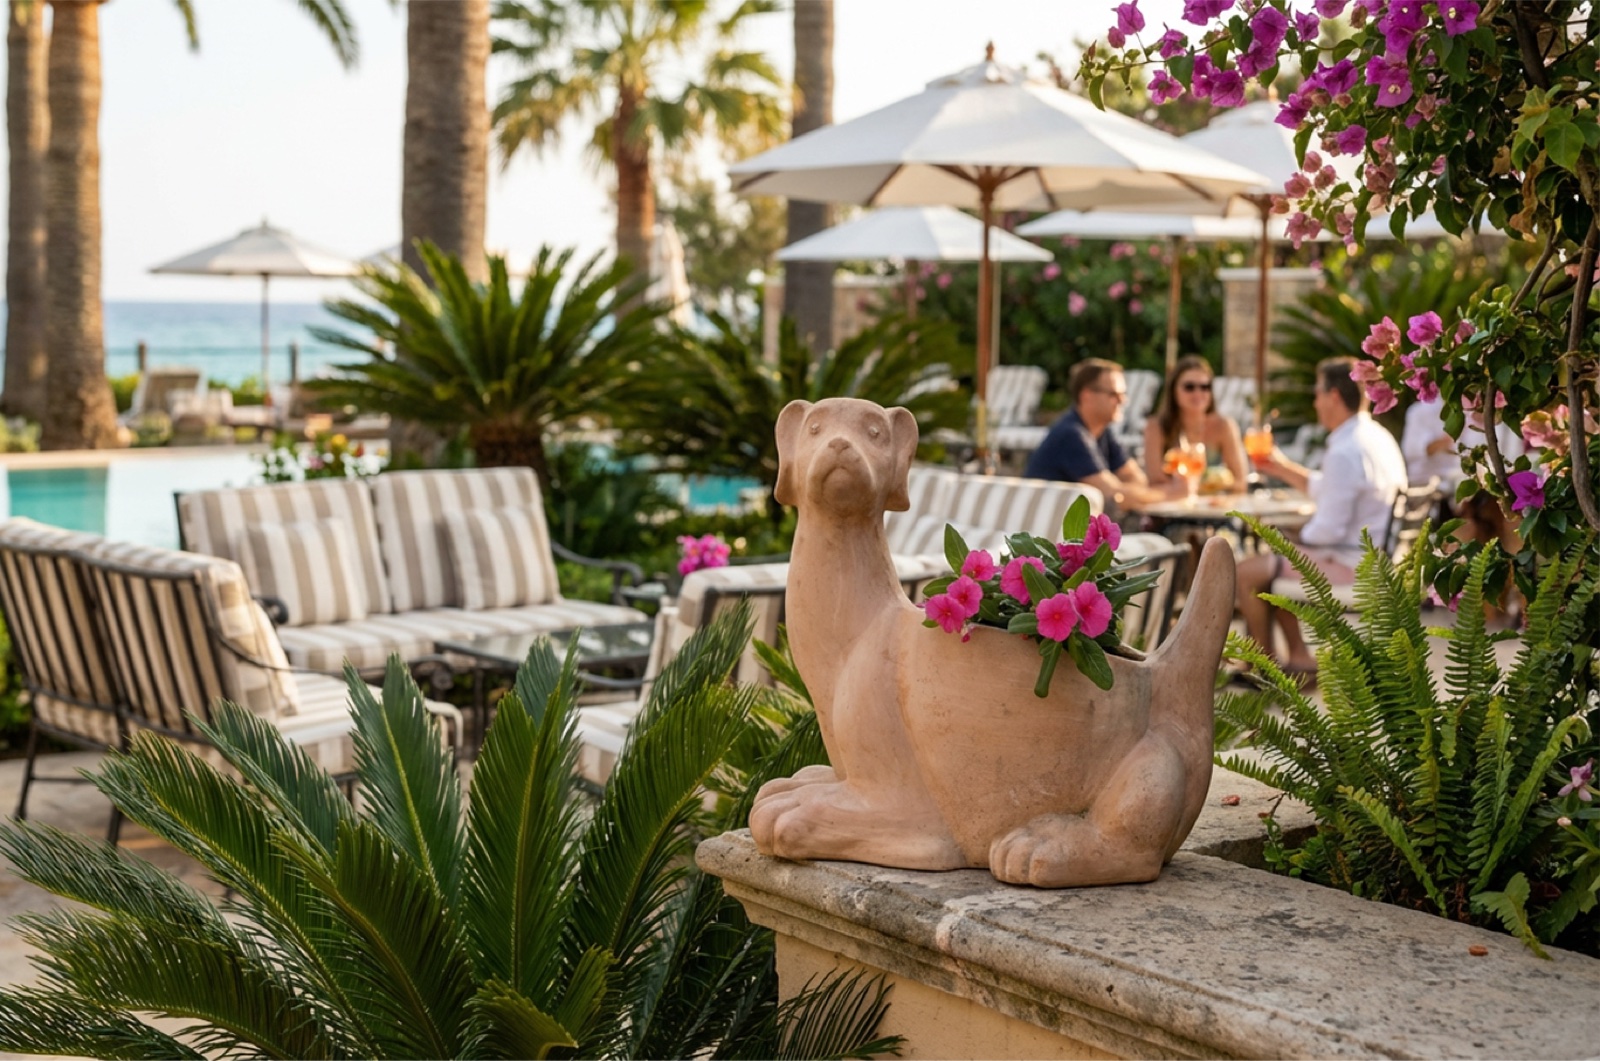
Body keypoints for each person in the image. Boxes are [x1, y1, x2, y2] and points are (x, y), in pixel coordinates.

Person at [1235, 356, 1408, 676]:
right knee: (1273, 560)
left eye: (1317, 393)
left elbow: (1326, 531)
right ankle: (1298, 657)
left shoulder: (1345, 450)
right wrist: (1281, 468)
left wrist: (1290, 535)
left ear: (1333, 396)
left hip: (1351, 569)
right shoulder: (1377, 438)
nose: (1314, 403)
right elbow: (1331, 488)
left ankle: (1264, 670)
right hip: (1379, 562)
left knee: (1247, 573)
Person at [1023, 358, 1189, 511]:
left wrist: (1130, 492)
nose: (1123, 401)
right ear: (1086, 395)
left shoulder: (1102, 431)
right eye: (1114, 394)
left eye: (1123, 394)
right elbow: (1115, 497)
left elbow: (1137, 480)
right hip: (1049, 536)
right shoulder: (1071, 435)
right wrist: (1170, 494)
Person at [1142, 355, 1248, 491]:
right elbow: (1155, 481)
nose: (1198, 393)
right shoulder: (1156, 426)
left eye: (1205, 387)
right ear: (1174, 390)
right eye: (1189, 387)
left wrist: (1210, 485)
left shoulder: (1224, 426)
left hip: (1215, 506)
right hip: (1171, 507)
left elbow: (1240, 481)